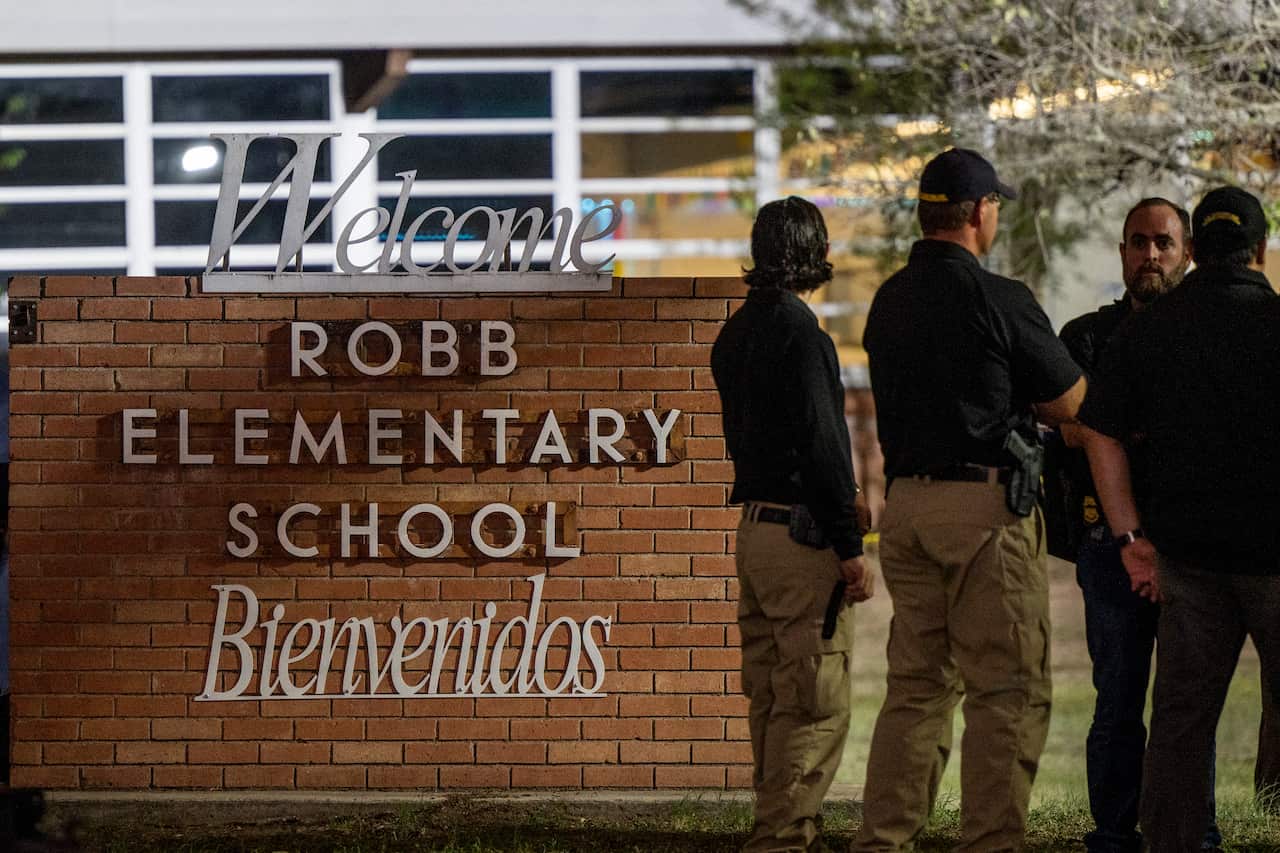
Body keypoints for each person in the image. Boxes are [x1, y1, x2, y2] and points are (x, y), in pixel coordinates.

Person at [854, 148, 1086, 852]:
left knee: (917, 689)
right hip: (983, 512)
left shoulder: (887, 299)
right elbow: (1071, 401)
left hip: (908, 511)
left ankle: (882, 840)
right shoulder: (1001, 298)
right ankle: (989, 841)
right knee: (1007, 692)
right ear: (980, 212)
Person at [1076, 186, 1280, 852]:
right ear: (1259, 249)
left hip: (1188, 566)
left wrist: (1131, 536)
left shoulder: (1148, 330)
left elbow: (1098, 430)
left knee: (1181, 728)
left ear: (1193, 251)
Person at [1057, 198, 1227, 852]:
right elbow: (1067, 424)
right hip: (1112, 548)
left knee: (1189, 708)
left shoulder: (1210, 332)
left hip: (1193, 547)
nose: (1149, 255)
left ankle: (1191, 834)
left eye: (1163, 242)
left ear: (1185, 251)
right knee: (1119, 700)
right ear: (1121, 251)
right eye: (1137, 242)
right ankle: (1113, 833)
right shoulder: (1088, 337)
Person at [711, 195, 875, 853]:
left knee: (773, 696)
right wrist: (849, 543)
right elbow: (824, 446)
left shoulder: (735, 334)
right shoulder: (804, 337)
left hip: (753, 532)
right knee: (812, 700)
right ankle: (781, 836)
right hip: (802, 537)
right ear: (817, 255)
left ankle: (775, 823)